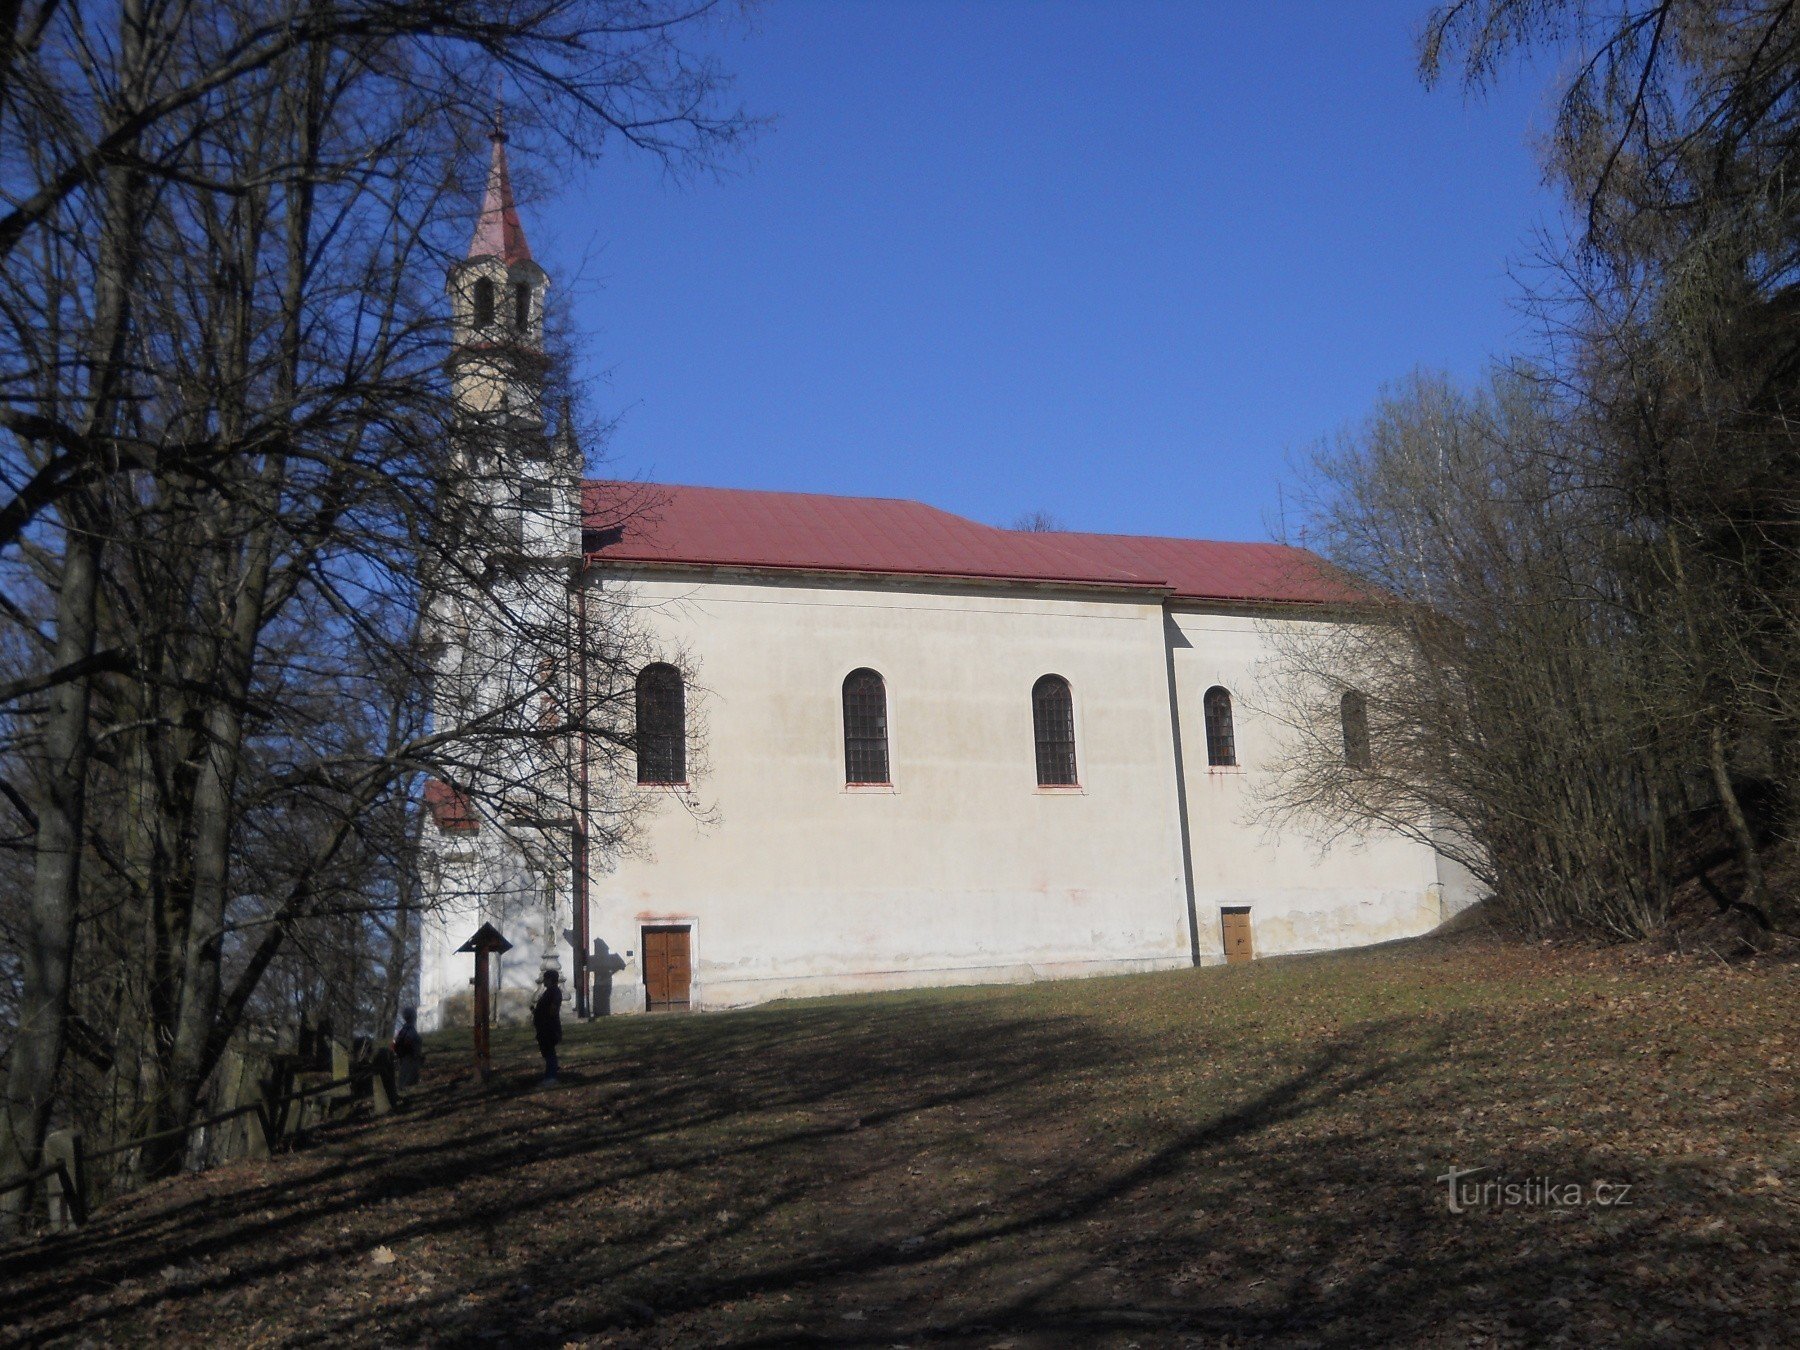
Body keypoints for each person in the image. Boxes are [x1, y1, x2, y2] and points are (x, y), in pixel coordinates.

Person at [531, 970, 564, 1083]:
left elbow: (552, 1010)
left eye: (545, 978)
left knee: (549, 1051)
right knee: (546, 1051)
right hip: (544, 1026)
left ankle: (551, 1076)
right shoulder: (549, 992)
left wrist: (543, 1016)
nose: (544, 981)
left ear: (550, 979)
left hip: (549, 1026)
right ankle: (551, 1072)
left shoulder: (554, 992)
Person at [392, 1006, 423, 1089]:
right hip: (409, 1058)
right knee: (408, 1079)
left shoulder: (403, 1030)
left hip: (407, 1058)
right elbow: (411, 1043)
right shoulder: (409, 1031)